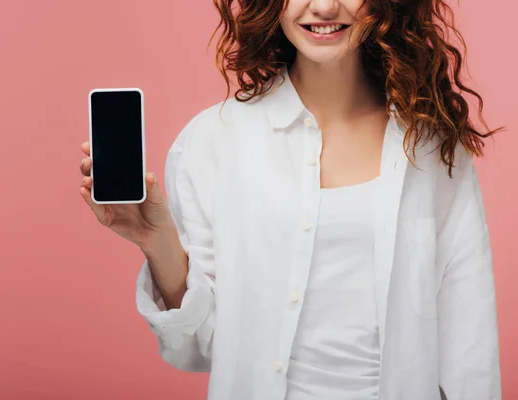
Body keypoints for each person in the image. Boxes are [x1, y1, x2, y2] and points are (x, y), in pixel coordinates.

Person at [79, 0, 502, 398]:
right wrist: (157, 240)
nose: (322, 7)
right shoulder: (212, 142)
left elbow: (470, 343)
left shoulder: (432, 148)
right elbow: (199, 346)